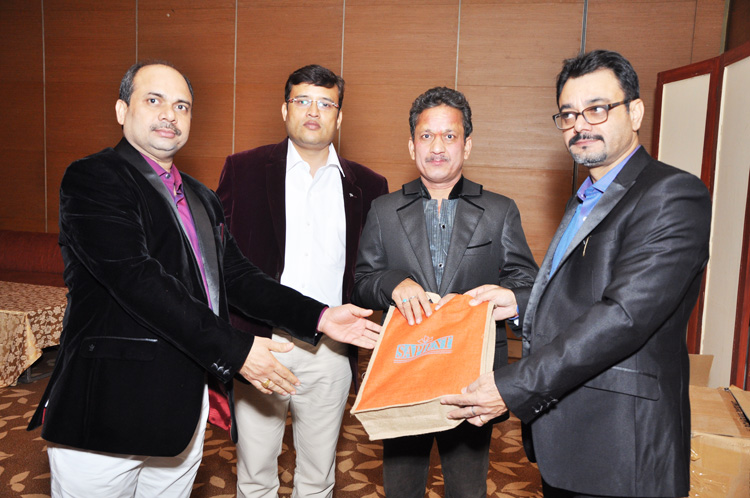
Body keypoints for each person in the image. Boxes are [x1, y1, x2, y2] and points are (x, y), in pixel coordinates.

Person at [26, 61, 382, 498]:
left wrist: (320, 316)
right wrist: (237, 349)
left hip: (182, 405)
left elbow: (238, 276)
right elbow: (137, 280)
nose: (169, 115)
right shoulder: (95, 178)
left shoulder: (200, 197)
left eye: (182, 106)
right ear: (122, 110)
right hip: (110, 405)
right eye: (153, 100)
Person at [442, 50, 712, 498]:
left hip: (622, 446)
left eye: (597, 109)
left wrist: (514, 386)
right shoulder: (587, 195)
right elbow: (584, 291)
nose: (580, 125)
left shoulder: (672, 193)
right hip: (571, 435)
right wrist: (521, 302)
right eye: (568, 114)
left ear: (636, 112)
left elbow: (623, 316)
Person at [352, 86, 538, 497]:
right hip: (405, 371)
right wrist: (392, 283)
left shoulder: (499, 210)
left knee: (467, 488)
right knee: (401, 488)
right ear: (412, 145)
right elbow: (362, 282)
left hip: (472, 379)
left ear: (466, 145)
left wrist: (509, 300)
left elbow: (528, 284)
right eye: (426, 136)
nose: (437, 147)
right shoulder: (384, 210)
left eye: (449, 136)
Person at [216, 64, 388, 498]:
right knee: (255, 473)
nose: (314, 111)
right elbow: (218, 262)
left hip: (331, 348)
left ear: (339, 117)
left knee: (318, 474)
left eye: (326, 103)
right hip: (262, 344)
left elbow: (373, 268)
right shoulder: (243, 169)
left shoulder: (369, 185)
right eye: (303, 100)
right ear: (285, 109)